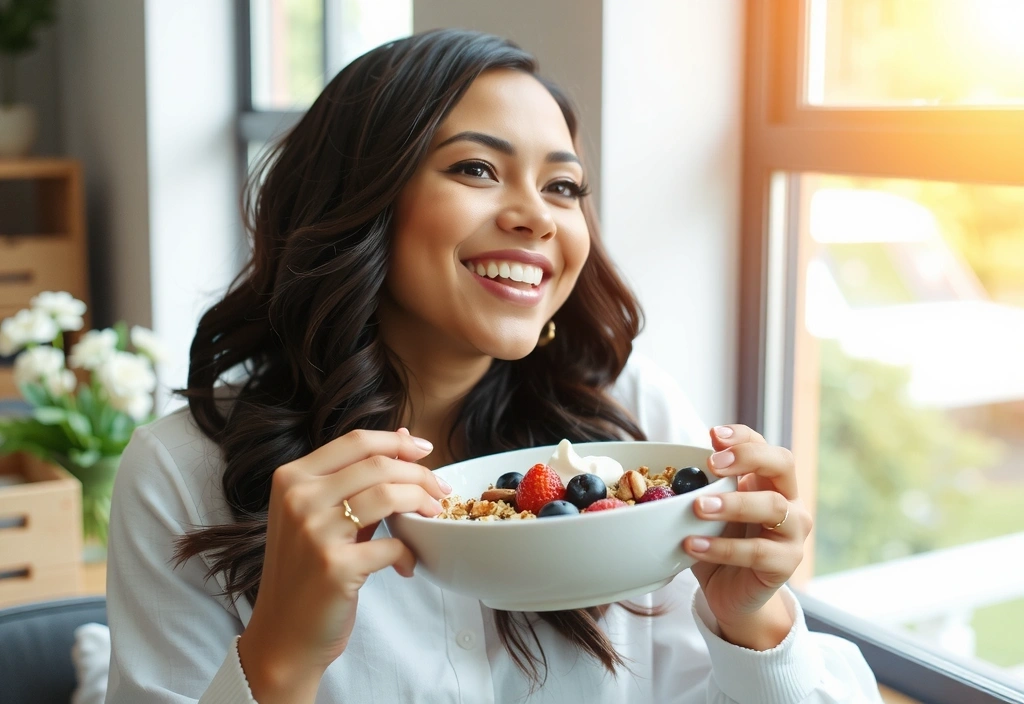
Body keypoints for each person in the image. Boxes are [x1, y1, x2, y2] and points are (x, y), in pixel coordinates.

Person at [105, 29, 883, 703]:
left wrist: (755, 622)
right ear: (360, 198)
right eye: (477, 169)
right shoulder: (182, 473)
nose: (537, 215)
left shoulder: (632, 422)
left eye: (563, 186)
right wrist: (280, 656)